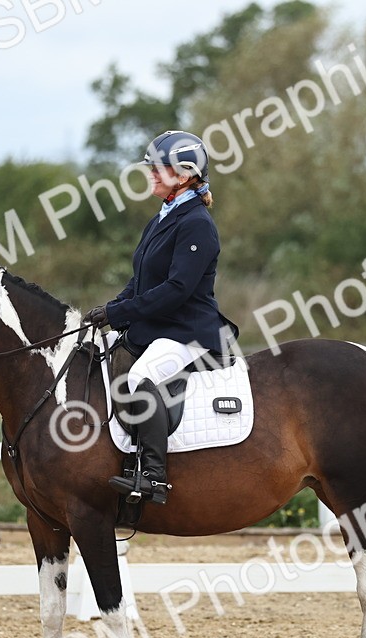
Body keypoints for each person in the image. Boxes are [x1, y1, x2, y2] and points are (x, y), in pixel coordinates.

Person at [84, 130, 238, 505]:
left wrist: (119, 312)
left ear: (184, 175)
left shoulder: (197, 223)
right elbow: (140, 279)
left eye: (158, 167)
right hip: (159, 327)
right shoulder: (163, 217)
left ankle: (153, 475)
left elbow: (175, 291)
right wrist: (109, 309)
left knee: (141, 378)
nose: (151, 173)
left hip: (189, 331)